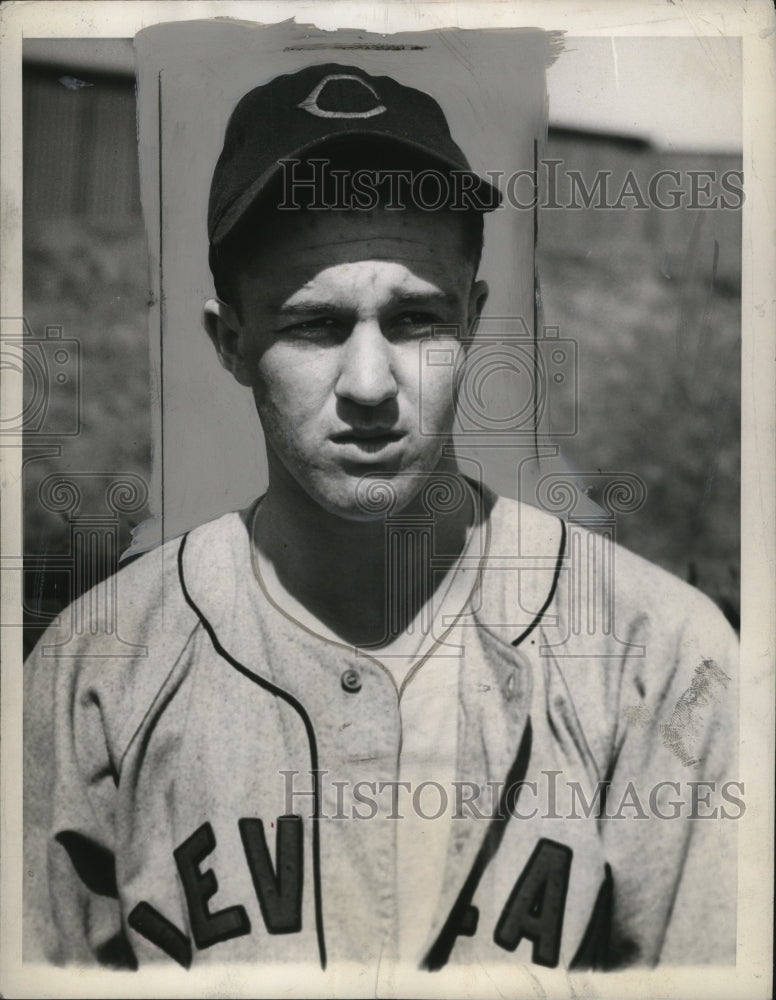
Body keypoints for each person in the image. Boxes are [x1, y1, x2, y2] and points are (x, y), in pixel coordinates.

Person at [23, 62, 739, 974]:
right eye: (315, 326)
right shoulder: (97, 670)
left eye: (415, 320)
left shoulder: (659, 659)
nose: (370, 386)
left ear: (474, 322)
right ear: (231, 342)